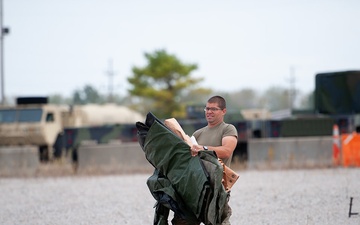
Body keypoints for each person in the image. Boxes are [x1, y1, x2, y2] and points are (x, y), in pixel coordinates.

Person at [172, 95, 238, 225]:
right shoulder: (198, 134)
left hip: (217, 187)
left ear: (223, 111)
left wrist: (203, 148)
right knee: (183, 221)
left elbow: (226, 151)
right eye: (207, 109)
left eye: (214, 109)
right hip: (195, 186)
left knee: (217, 221)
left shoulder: (228, 129)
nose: (209, 112)